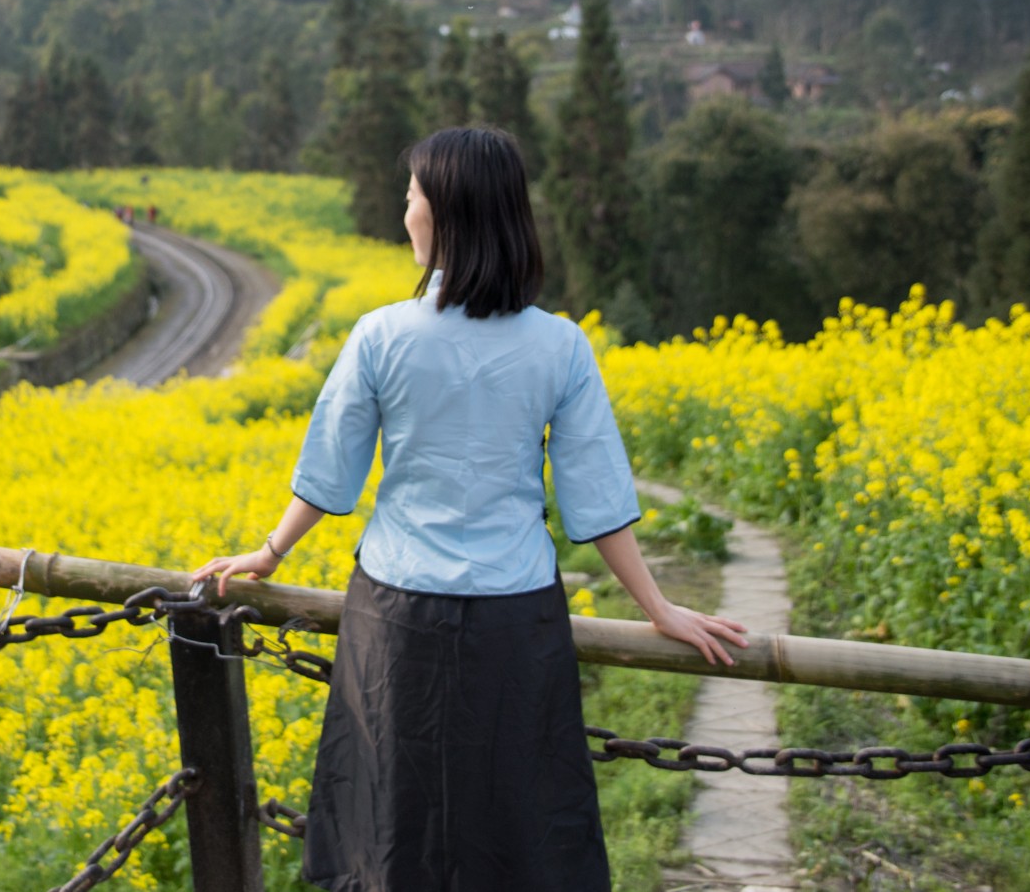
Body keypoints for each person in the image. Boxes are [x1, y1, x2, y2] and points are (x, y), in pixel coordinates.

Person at [192, 126, 747, 891]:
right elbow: (596, 497)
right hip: (516, 622)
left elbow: (330, 470)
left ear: (447, 212)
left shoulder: (380, 334)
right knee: (519, 834)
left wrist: (270, 552)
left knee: (391, 832)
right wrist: (658, 606)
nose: (405, 212)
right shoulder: (560, 345)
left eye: (412, 196)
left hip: (394, 620)